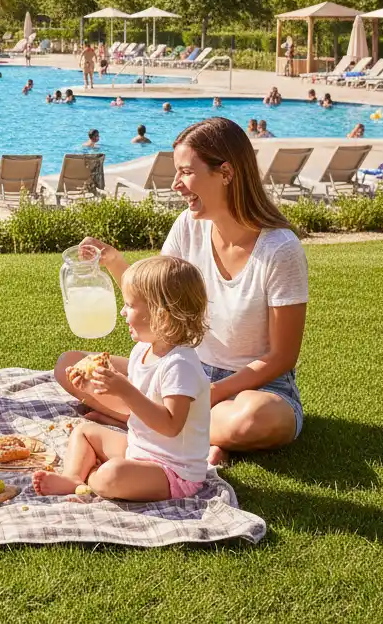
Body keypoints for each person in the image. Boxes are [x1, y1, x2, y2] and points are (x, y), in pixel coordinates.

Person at [55, 117, 308, 465]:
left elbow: (282, 357)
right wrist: (113, 260)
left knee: (252, 418)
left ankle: (146, 425)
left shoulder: (280, 249)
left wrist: (212, 393)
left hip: (254, 389)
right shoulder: (188, 226)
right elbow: (154, 297)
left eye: (186, 172)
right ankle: (181, 432)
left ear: (226, 173)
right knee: (71, 366)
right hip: (182, 370)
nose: (176, 184)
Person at [34, 256, 210, 501]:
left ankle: (91, 477)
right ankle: (73, 477)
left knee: (112, 475)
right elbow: (134, 409)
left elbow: (170, 426)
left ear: (161, 315)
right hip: (138, 450)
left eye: (130, 305)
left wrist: (125, 389)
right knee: (84, 431)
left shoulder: (180, 365)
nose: (123, 312)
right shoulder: (142, 351)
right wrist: (92, 388)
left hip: (173, 471)